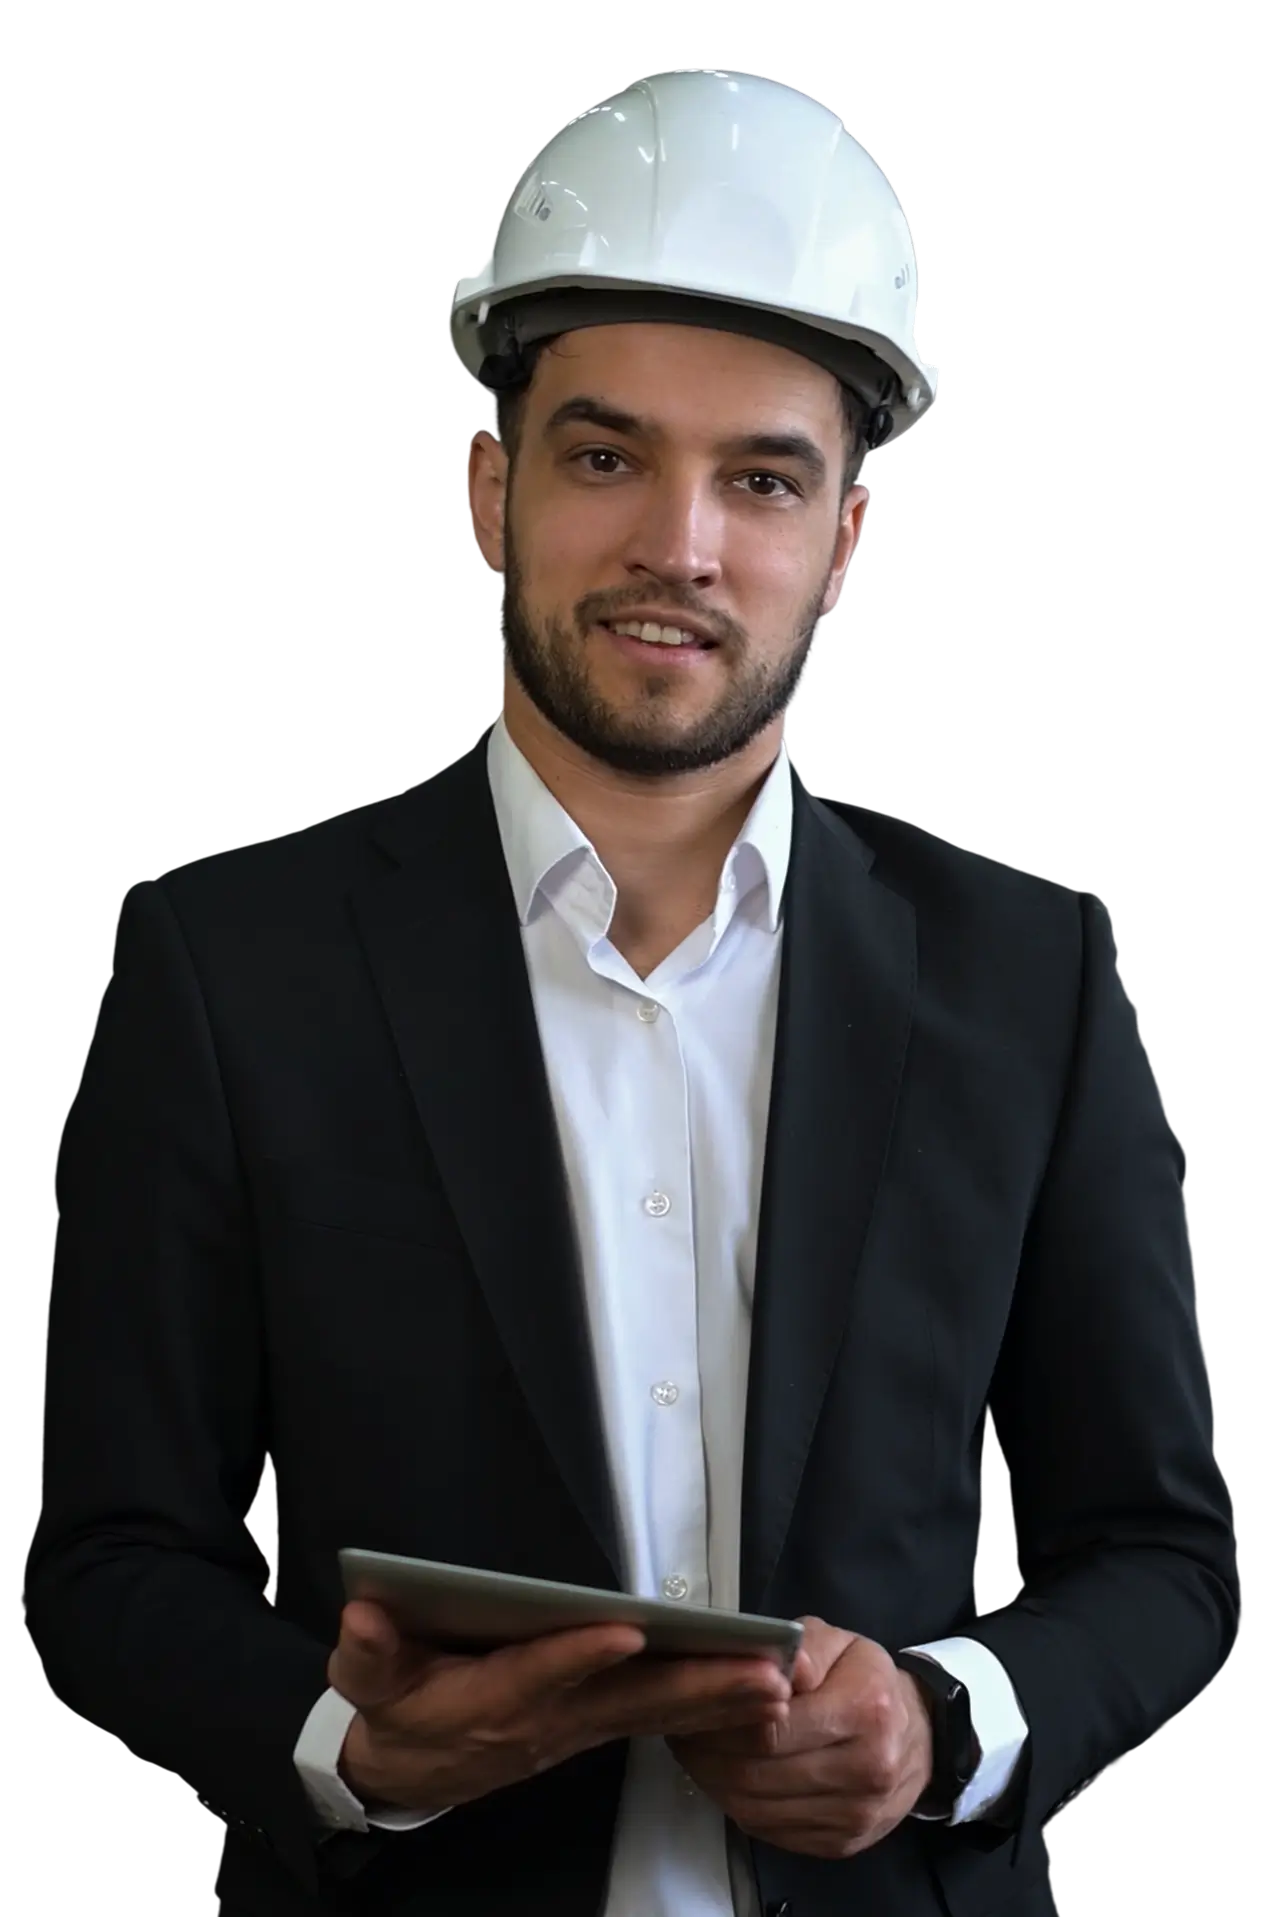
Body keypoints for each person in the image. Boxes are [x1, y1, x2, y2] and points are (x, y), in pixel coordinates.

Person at [24, 67, 1239, 1917]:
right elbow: (109, 1558)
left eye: (760, 478)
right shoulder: (223, 964)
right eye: (605, 456)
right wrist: (342, 1752)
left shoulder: (1033, 975)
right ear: (489, 489)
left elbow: (1160, 1553)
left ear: (841, 546)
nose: (679, 543)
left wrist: (937, 1719)